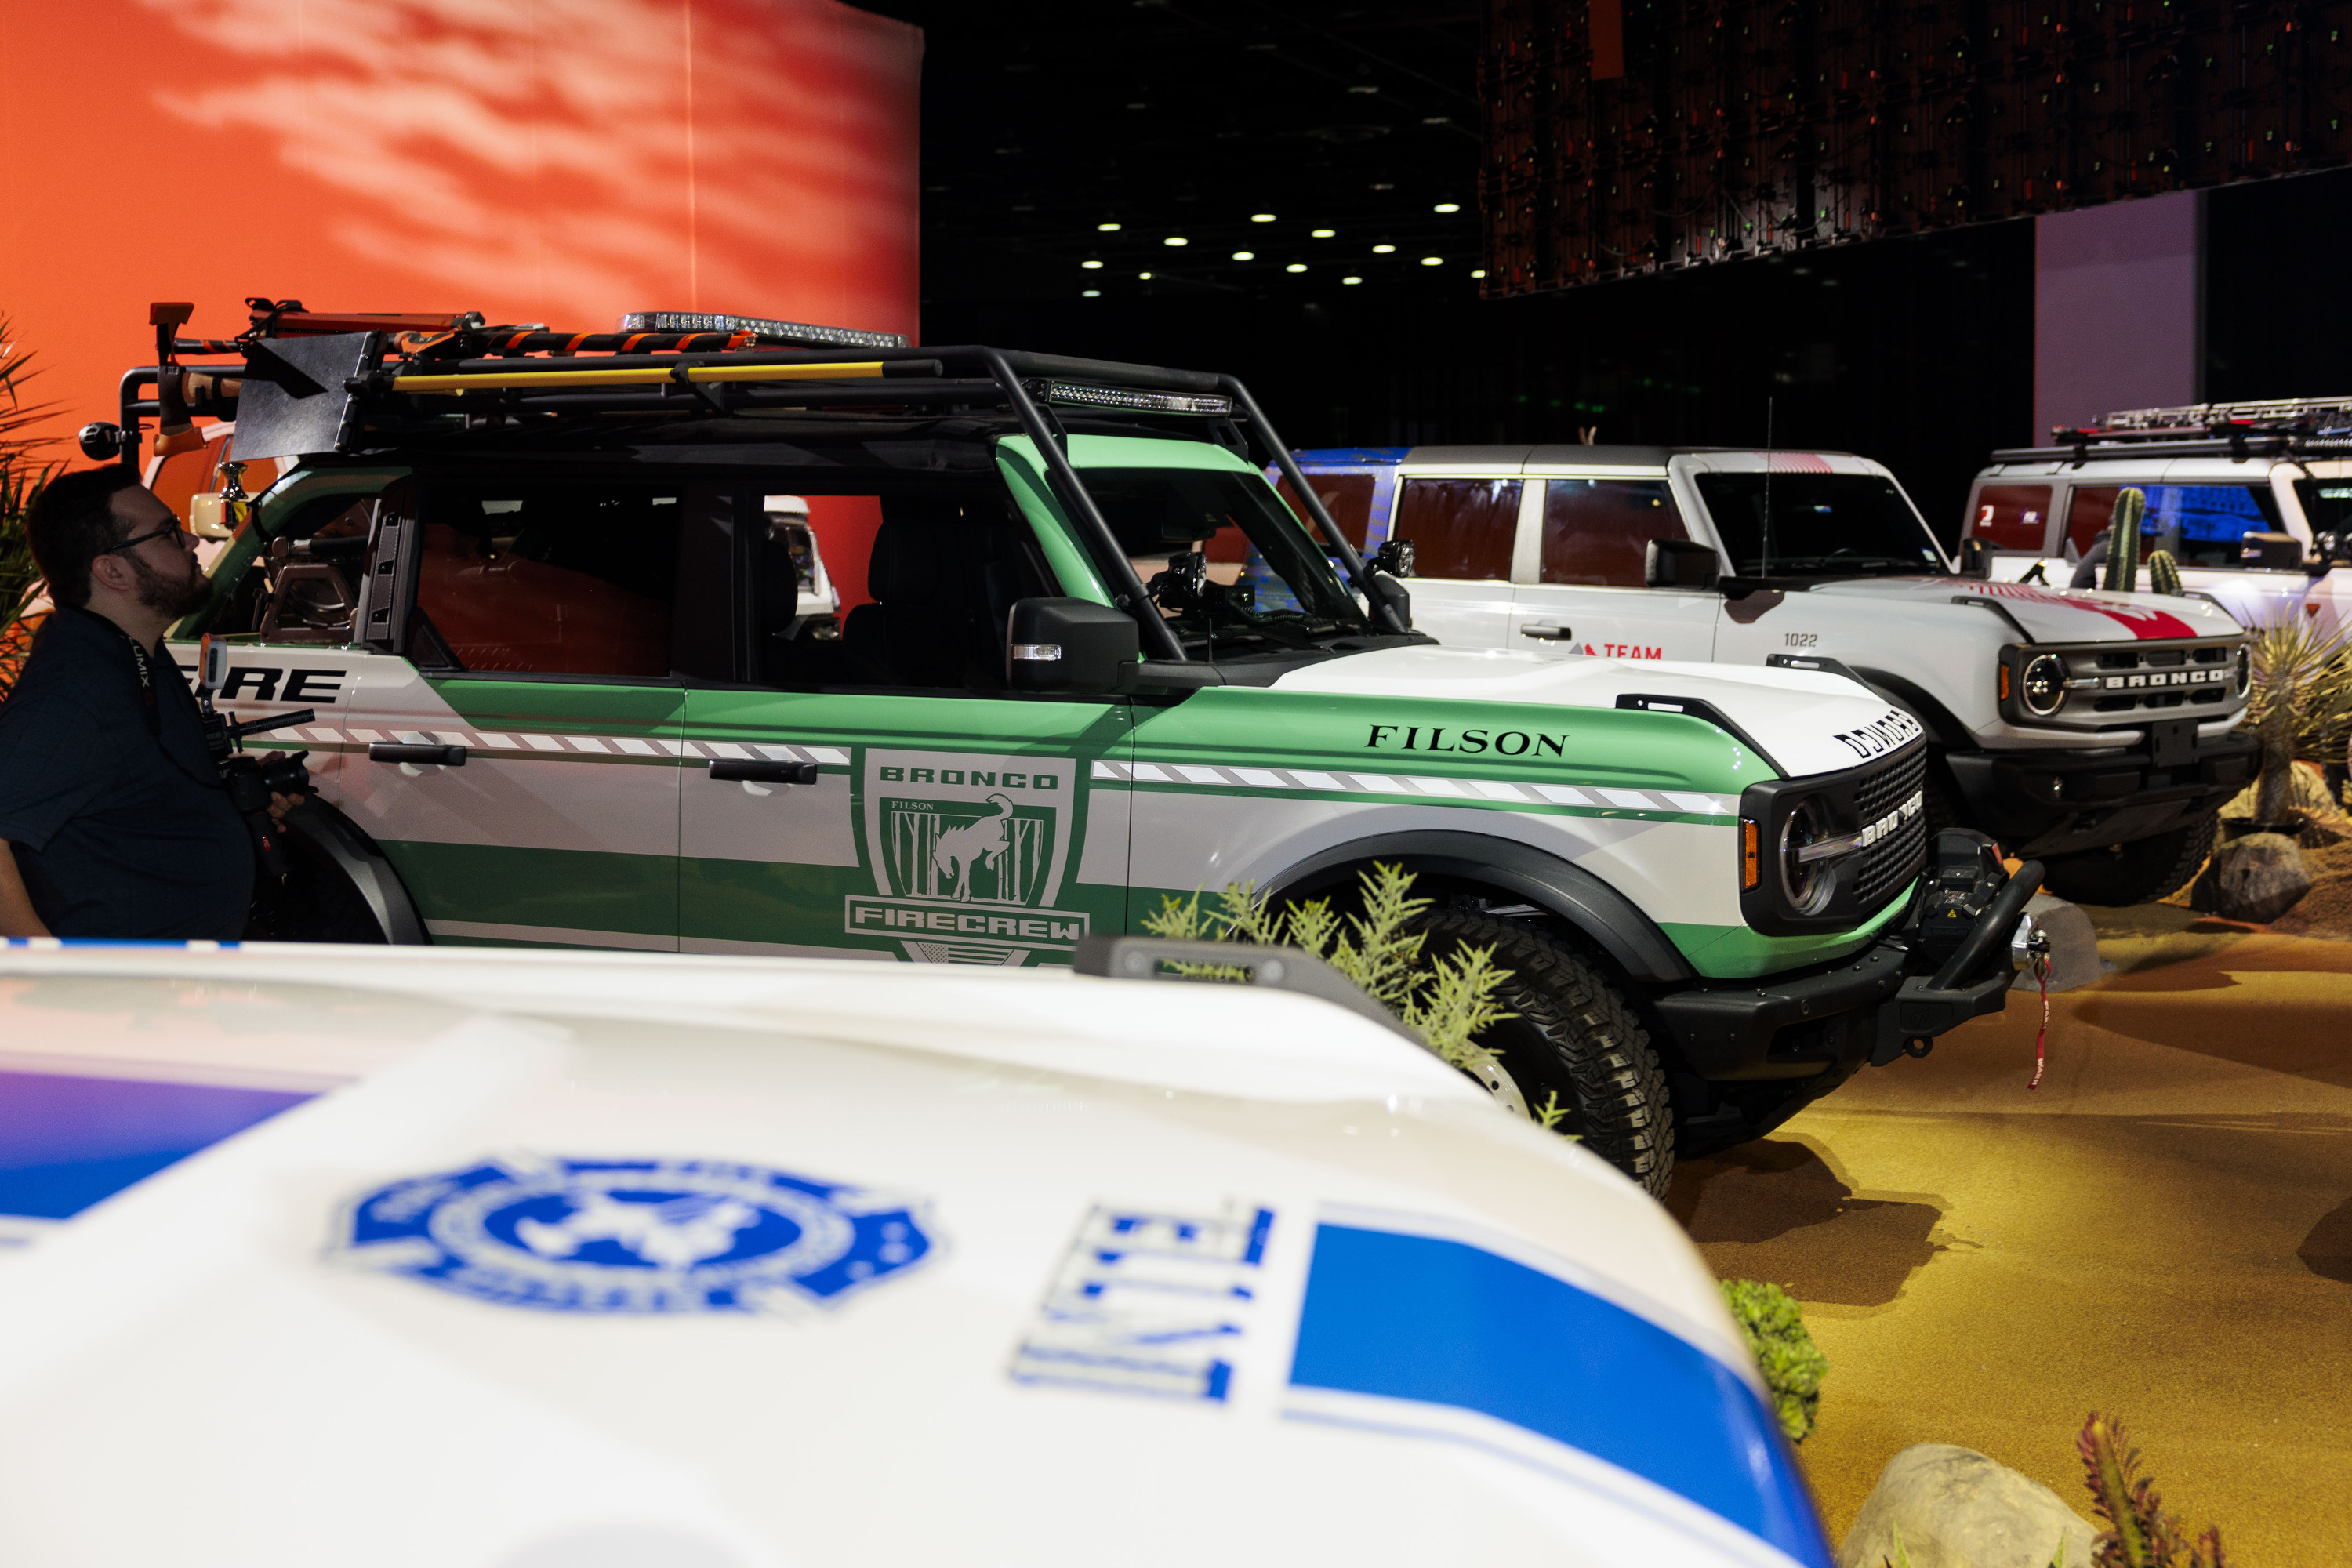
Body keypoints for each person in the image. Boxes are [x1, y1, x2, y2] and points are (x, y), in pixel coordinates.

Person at [0, 466, 297, 938]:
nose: (191, 542)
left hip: (171, 992)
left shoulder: (131, 653)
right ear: (112, 570)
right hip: (116, 1001)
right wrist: (45, 969)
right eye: (166, 534)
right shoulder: (74, 692)